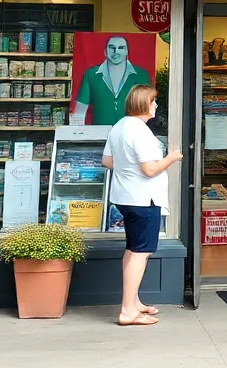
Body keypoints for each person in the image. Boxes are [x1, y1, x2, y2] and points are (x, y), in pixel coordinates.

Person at [100, 84, 182, 327]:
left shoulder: (119, 127)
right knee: (141, 252)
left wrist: (128, 170)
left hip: (126, 197)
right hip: (144, 199)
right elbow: (149, 169)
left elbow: (107, 160)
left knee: (133, 249)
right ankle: (127, 310)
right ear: (144, 104)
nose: (156, 106)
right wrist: (172, 157)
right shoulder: (141, 131)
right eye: (153, 101)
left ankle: (133, 302)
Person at [73, 35, 152, 126]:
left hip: (131, 133)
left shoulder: (141, 75)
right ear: (105, 51)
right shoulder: (91, 74)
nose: (116, 51)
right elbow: (79, 112)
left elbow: (148, 109)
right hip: (100, 134)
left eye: (121, 47)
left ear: (127, 51)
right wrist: (77, 135)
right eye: (112, 47)